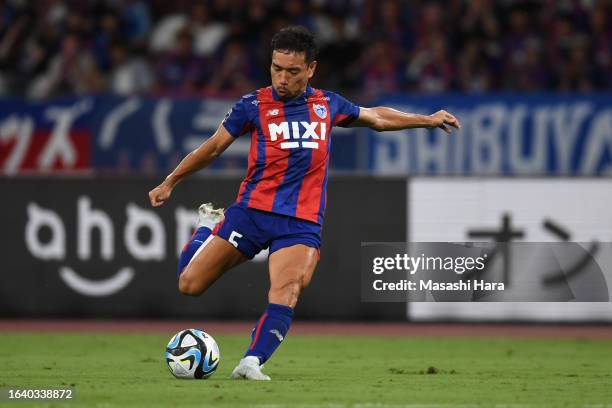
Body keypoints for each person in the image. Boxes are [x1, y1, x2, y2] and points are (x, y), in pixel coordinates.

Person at [148, 26, 460, 381]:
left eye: (292, 71)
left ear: (311, 69)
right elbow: (213, 147)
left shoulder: (327, 105)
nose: (282, 78)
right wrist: (171, 180)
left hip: (301, 221)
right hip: (251, 212)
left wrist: (427, 120)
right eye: (276, 69)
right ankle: (206, 228)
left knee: (287, 288)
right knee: (189, 285)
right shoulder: (252, 105)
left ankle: (252, 361)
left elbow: (376, 117)